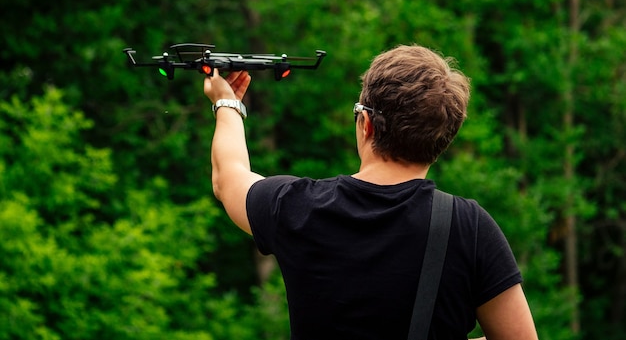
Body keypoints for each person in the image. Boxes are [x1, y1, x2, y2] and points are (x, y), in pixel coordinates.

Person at [204, 44, 538, 340]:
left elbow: (228, 178)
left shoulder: (298, 207)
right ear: (442, 141)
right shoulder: (470, 228)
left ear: (366, 123)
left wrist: (226, 103)